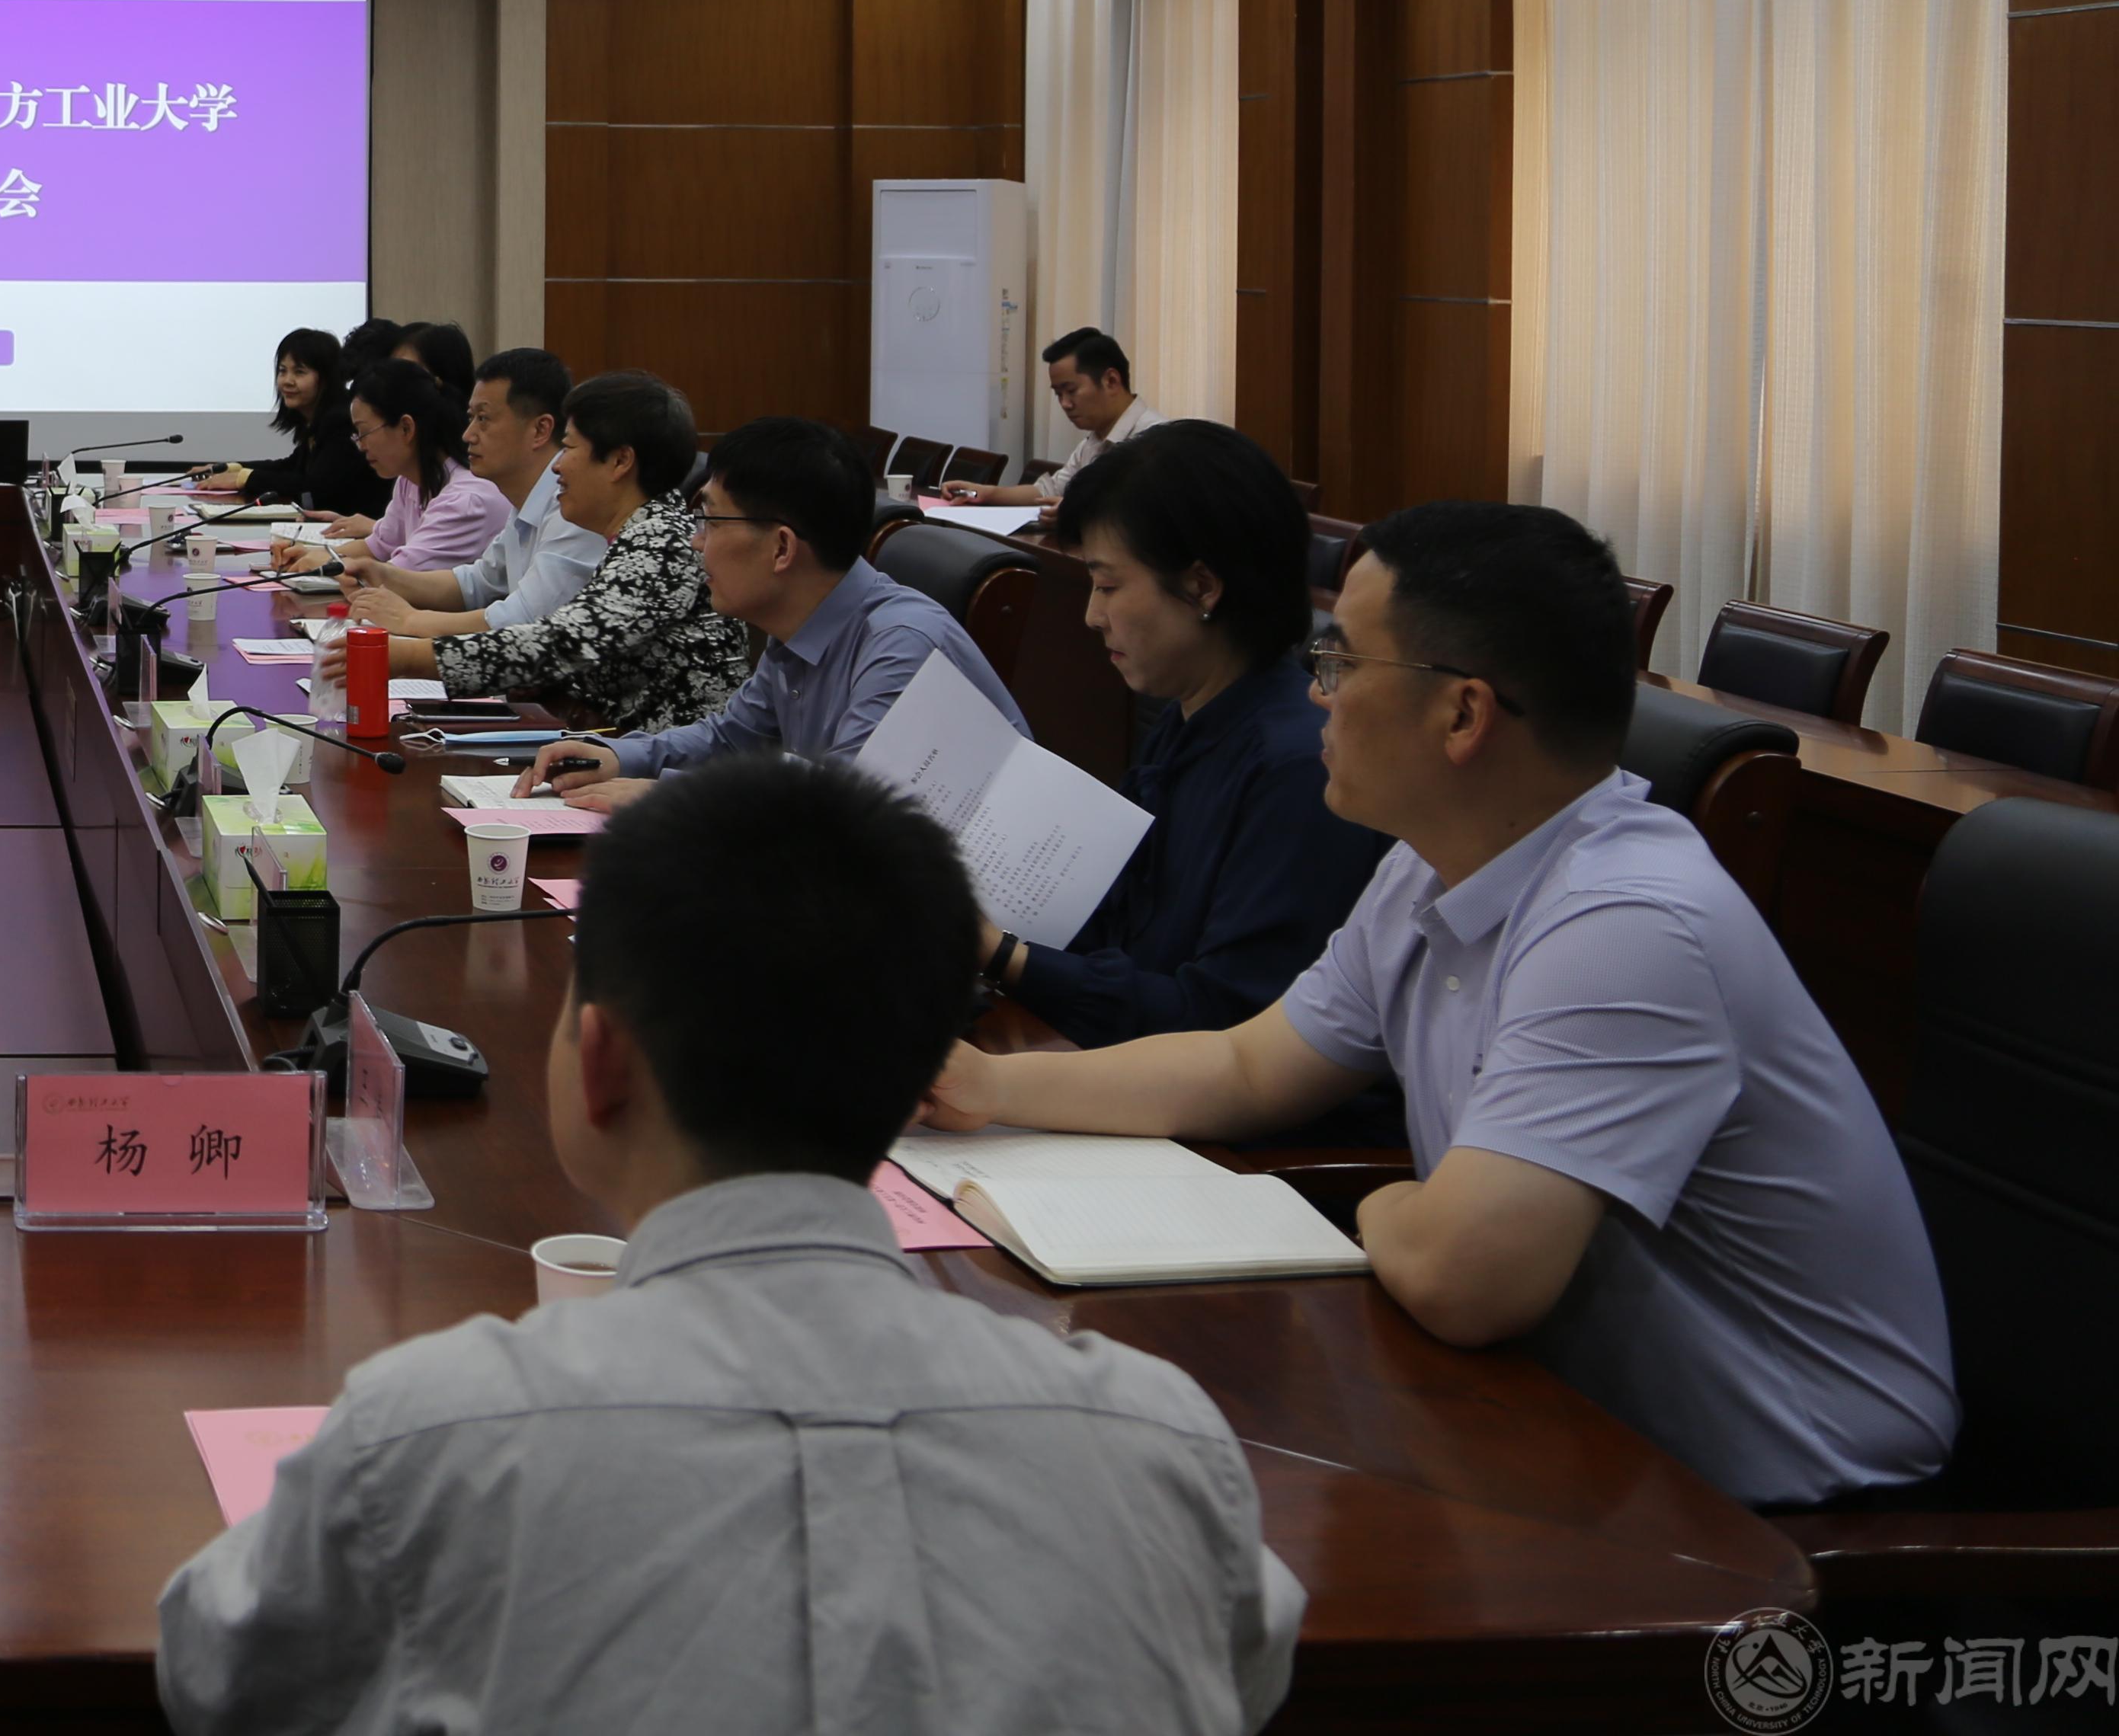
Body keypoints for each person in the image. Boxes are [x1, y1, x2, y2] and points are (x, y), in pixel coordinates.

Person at [155, 754, 1301, 1736]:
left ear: (600, 1064)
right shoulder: (1163, 1451)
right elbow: (1251, 1657)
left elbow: (215, 1674)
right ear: (920, 1074)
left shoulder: (428, 1439)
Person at [927, 501, 1955, 1511]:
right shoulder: (1433, 863)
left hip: (1792, 1511)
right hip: (1570, 1433)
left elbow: (1465, 1281)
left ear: (1463, 714)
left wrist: (1382, 1205)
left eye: (1341, 664)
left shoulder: (1627, 925)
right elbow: (1247, 1066)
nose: (1317, 694)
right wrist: (986, 1086)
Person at [996, 420, 1388, 1053]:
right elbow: (1121, 925)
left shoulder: (1301, 769)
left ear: (1202, 587)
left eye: (1109, 585)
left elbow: (1225, 1022)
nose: (1093, 616)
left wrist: (1004, 956)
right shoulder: (1191, 718)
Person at [524, 415, 1022, 804]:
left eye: (710, 521)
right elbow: (731, 738)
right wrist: (617, 756)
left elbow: (843, 806)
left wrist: (671, 795)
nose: (696, 543)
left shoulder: (902, 646)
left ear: (782, 548)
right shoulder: (799, 628)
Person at [420, 372, 754, 736]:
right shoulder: (639, 534)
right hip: (624, 748)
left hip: (679, 761)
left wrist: (405, 657)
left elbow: (561, 644)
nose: (557, 466)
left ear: (620, 461)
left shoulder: (663, 543)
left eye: (569, 448)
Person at [343, 347, 607, 641]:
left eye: (483, 419)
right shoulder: (525, 501)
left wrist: (412, 620)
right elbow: (478, 582)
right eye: (471, 418)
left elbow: (528, 620)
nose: (468, 434)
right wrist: (386, 576)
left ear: (540, 430)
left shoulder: (573, 506)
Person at [292, 359, 504, 579]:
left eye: (363, 432)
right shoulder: (409, 481)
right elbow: (377, 547)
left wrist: (325, 563)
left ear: (406, 428)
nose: (360, 446)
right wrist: (309, 556)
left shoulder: (465, 502)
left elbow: (396, 576)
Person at [942, 326, 1167, 507]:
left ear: (1111, 381)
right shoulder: (1094, 440)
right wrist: (987, 493)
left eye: (1071, 391)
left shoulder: (1158, 441)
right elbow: (1050, 491)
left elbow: (1146, 516)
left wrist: (1074, 515)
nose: (1065, 404)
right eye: (1058, 394)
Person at [221, 326, 367, 518]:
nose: (287, 381)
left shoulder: (341, 420)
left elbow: (314, 485)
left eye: (299, 372)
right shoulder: (317, 418)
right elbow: (292, 465)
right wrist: (230, 469)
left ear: (326, 378)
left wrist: (245, 478)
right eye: (283, 371)